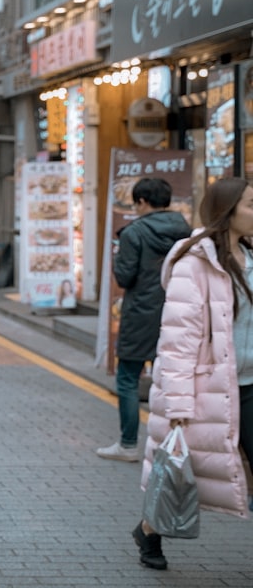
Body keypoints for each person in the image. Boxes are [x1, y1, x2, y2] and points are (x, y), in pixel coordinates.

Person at [132, 177, 252, 571]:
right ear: (227, 212)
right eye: (251, 205)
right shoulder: (194, 263)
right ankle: (150, 528)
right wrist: (180, 403)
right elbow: (178, 341)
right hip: (209, 388)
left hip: (249, 385)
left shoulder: (251, 255)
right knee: (186, 472)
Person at [97, 177, 191, 462]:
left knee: (127, 378)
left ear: (141, 202)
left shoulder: (133, 233)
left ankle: (128, 445)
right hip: (178, 310)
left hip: (140, 313)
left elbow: (125, 276)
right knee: (173, 379)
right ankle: (173, 445)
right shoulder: (185, 230)